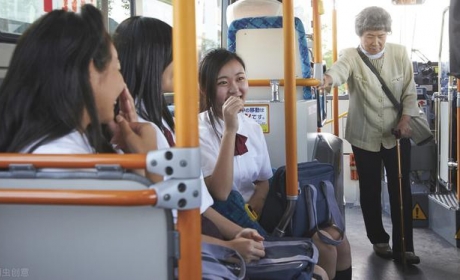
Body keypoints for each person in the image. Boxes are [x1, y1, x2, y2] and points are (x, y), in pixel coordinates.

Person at [112, 16, 268, 264]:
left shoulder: (162, 124)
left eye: (240, 79)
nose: (181, 63)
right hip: (187, 250)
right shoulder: (140, 131)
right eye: (175, 53)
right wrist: (228, 247)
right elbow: (170, 221)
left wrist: (234, 232)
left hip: (202, 235)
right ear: (152, 58)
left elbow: (193, 198)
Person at [198, 48, 352, 280]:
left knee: (335, 239)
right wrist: (230, 129)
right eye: (223, 82)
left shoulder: (251, 126)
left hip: (259, 213)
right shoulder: (197, 131)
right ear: (206, 89)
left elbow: (263, 180)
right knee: (325, 250)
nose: (235, 89)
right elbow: (220, 192)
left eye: (240, 79)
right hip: (229, 217)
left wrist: (257, 207)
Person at [0, 4, 162, 184]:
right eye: (118, 68)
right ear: (90, 70)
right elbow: (150, 212)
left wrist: (131, 157)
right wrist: (151, 161)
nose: (123, 83)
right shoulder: (67, 163)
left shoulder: (51, 144)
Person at [321, 6, 420, 265]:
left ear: (387, 34)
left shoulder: (399, 53)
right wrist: (328, 78)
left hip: (397, 132)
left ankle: (404, 246)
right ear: (360, 35)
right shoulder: (350, 56)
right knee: (370, 188)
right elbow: (340, 70)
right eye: (369, 36)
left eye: (381, 36)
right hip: (364, 134)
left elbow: (409, 90)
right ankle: (379, 239)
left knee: (401, 189)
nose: (375, 42)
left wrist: (406, 119)